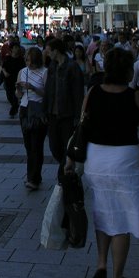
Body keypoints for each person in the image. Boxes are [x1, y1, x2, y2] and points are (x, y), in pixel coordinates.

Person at [65, 47, 139, 278]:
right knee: (123, 219)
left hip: (96, 161)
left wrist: (71, 159)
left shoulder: (92, 93)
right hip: (125, 162)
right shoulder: (136, 97)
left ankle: (102, 263)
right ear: (128, 70)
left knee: (103, 211)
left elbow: (81, 127)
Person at [42, 38, 84, 185]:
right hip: (53, 114)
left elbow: (78, 93)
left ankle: (63, 175)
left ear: (56, 51)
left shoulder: (72, 67)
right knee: (54, 147)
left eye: (48, 51)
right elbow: (48, 89)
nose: (47, 54)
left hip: (67, 114)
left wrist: (78, 116)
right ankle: (66, 166)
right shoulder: (52, 66)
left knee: (67, 145)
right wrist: (44, 110)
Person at [16, 46, 48, 191]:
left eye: (32, 61)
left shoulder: (44, 72)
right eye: (27, 60)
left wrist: (33, 88)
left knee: (36, 145)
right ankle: (33, 175)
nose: (29, 64)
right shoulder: (22, 72)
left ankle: (33, 178)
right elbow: (19, 95)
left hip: (38, 110)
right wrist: (18, 89)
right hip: (24, 109)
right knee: (28, 145)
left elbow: (47, 95)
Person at [0, 41, 26, 118]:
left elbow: (24, 70)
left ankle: (13, 110)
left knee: (15, 97)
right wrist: (4, 72)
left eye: (17, 47)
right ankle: (15, 106)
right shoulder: (8, 58)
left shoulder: (21, 59)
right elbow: (3, 67)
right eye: (15, 48)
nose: (16, 49)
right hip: (8, 80)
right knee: (9, 96)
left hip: (17, 80)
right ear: (11, 49)